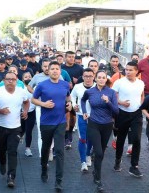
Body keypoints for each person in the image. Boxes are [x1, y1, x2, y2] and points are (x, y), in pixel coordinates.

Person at [32, 61, 72, 192]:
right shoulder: (42, 85)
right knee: (46, 148)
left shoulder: (65, 84)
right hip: (46, 123)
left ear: (60, 71)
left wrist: (70, 104)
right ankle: (44, 167)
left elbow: (68, 97)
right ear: (48, 71)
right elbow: (33, 99)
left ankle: (58, 181)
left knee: (60, 151)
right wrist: (43, 104)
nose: (55, 71)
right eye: (52, 69)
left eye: (57, 69)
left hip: (60, 122)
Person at [81, 70, 119, 192]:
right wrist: (85, 112)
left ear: (106, 79)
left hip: (107, 125)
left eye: (104, 77)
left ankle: (95, 172)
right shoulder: (90, 91)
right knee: (99, 152)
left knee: (100, 152)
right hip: (93, 124)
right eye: (99, 77)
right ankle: (98, 179)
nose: (101, 79)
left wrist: (108, 102)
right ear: (95, 79)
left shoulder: (111, 93)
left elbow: (116, 111)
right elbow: (83, 100)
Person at [0, 72, 29, 188]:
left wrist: (25, 111)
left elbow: (26, 102)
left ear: (16, 80)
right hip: (0, 126)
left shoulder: (21, 91)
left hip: (15, 128)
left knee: (12, 151)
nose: (10, 81)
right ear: (4, 80)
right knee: (1, 149)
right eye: (8, 79)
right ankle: (2, 163)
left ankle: (11, 177)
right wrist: (0, 110)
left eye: (13, 79)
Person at [112, 62, 145, 177]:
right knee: (121, 139)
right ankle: (117, 160)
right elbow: (113, 96)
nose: (128, 72)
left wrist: (141, 105)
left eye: (131, 70)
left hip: (136, 114)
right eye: (126, 69)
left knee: (136, 139)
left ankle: (134, 166)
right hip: (122, 113)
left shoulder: (141, 83)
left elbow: (142, 95)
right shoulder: (119, 82)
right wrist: (121, 102)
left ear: (136, 71)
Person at [71, 68, 95, 172]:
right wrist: (74, 105)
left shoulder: (97, 87)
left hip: (95, 117)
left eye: (90, 76)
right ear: (83, 77)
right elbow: (72, 97)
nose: (88, 78)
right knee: (82, 138)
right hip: (81, 115)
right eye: (86, 76)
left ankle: (88, 154)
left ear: (93, 77)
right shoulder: (77, 87)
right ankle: (83, 162)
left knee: (91, 138)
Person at [20, 72, 36, 157]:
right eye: (26, 77)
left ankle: (27, 148)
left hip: (32, 112)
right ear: (23, 80)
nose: (28, 78)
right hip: (21, 112)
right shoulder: (20, 89)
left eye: (29, 77)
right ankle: (21, 135)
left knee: (29, 130)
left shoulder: (35, 88)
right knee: (22, 129)